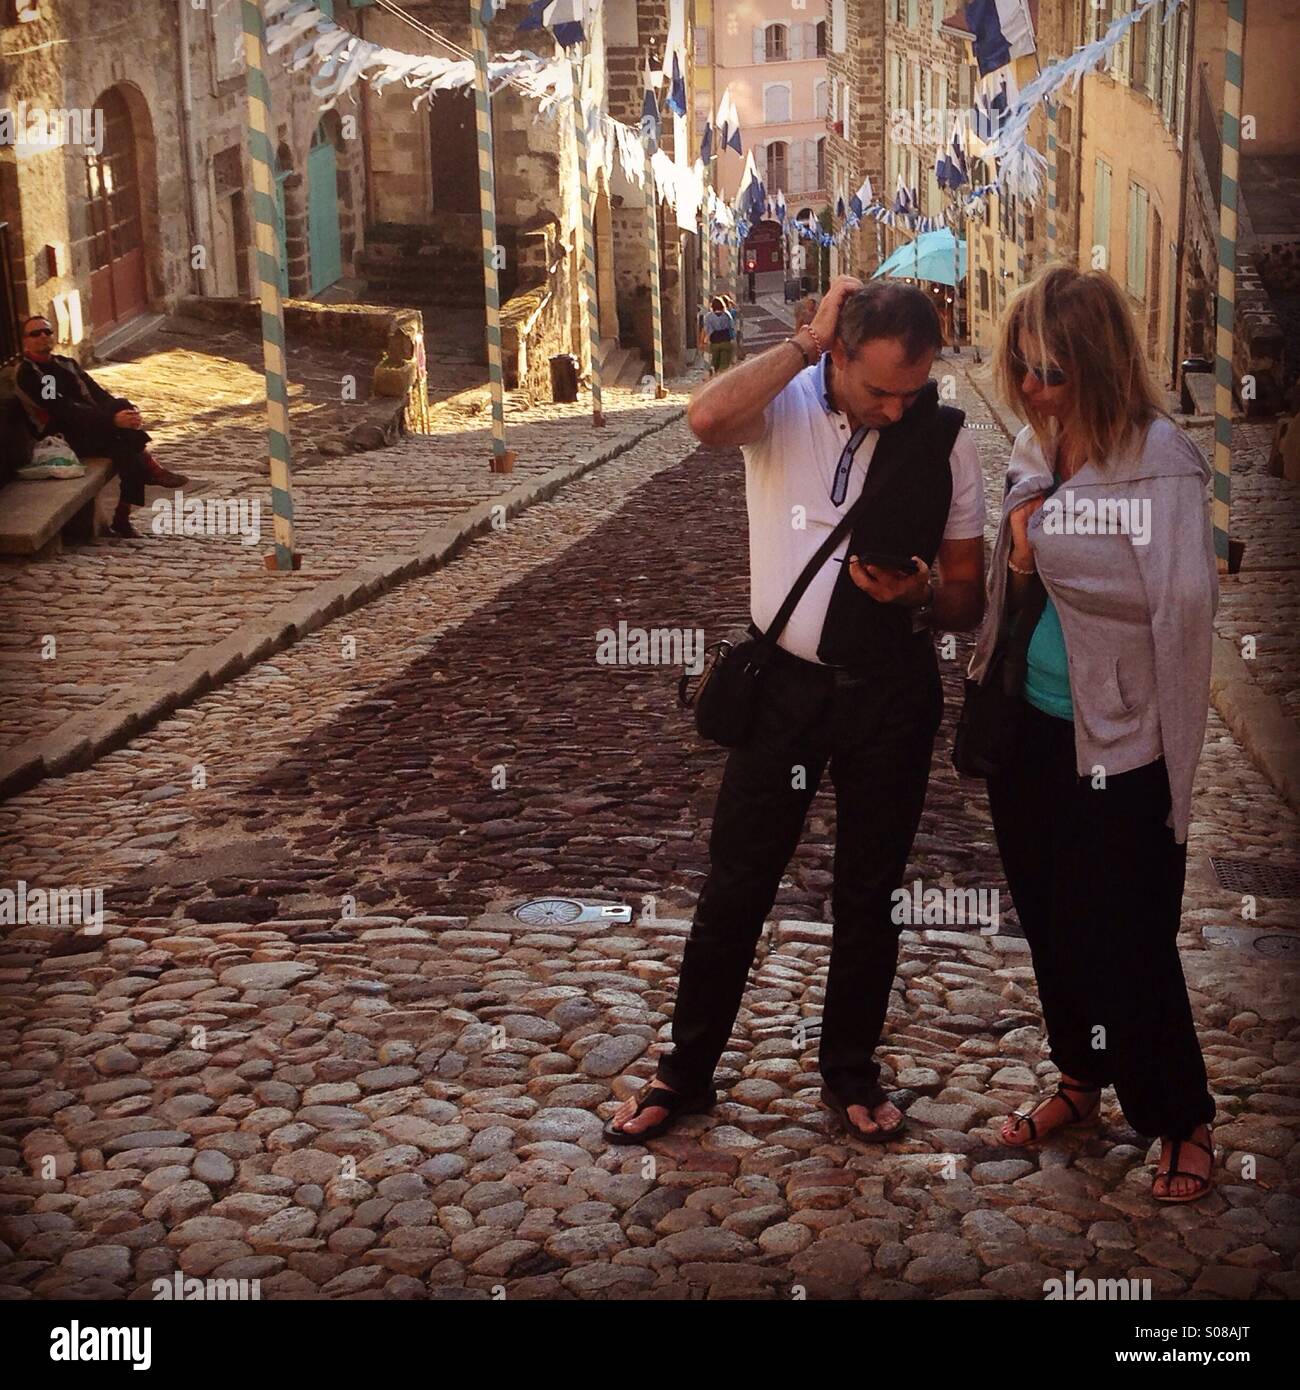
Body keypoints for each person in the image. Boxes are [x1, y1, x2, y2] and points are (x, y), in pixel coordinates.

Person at [606, 278, 986, 1145]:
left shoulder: (947, 435)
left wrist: (924, 592)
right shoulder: (784, 405)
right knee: (737, 883)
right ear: (839, 354)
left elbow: (968, 593)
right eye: (880, 388)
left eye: (913, 390)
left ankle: (849, 1071)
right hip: (784, 690)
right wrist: (803, 342)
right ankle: (685, 1073)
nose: (896, 409)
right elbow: (703, 421)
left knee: (870, 892)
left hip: (892, 694)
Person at [969, 265, 1218, 1203]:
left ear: (1101, 366)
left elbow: (1185, 623)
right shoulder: (1041, 449)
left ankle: (1180, 1115)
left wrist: (1180, 789)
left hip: (1122, 744)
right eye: (1023, 368)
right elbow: (1016, 579)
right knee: (1050, 920)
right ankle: (1080, 1078)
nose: (1033, 388)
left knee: (1132, 935)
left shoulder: (1160, 467)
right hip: (1031, 731)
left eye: (1054, 371)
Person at [14, 315, 187, 538]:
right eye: (35, 333)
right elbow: (61, 409)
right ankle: (148, 474)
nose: (43, 337)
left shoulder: (65, 364)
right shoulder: (32, 372)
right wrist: (111, 420)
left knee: (125, 441)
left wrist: (124, 412)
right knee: (127, 445)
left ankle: (125, 514)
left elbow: (96, 393)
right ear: (25, 341)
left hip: (89, 428)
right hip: (62, 437)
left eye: (47, 331)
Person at [698, 296, 736, 376]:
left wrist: (701, 342)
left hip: (714, 342)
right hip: (726, 341)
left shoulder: (709, 316)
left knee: (715, 362)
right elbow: (731, 327)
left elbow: (705, 330)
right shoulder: (727, 315)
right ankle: (721, 376)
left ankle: (714, 370)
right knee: (724, 365)